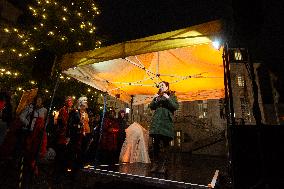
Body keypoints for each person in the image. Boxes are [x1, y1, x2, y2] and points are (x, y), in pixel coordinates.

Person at [149, 81, 179, 174]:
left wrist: (168, 98)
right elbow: (151, 107)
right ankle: (156, 164)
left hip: (166, 123)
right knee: (155, 145)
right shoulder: (157, 96)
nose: (160, 87)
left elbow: (175, 106)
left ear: (167, 87)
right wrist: (154, 99)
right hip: (157, 123)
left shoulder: (172, 95)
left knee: (166, 145)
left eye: (162, 85)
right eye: (160, 85)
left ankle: (164, 166)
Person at [67, 96, 90, 179]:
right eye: (83, 105)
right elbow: (71, 124)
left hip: (83, 135)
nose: (84, 106)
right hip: (76, 136)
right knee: (74, 152)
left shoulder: (84, 113)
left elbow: (85, 124)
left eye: (85, 105)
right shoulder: (75, 112)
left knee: (81, 152)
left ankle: (77, 169)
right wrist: (78, 125)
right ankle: (72, 171)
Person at [53, 96, 73, 182]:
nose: (71, 102)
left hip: (67, 135)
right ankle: (57, 173)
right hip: (62, 135)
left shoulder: (71, 111)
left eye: (71, 101)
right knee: (60, 154)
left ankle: (62, 171)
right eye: (69, 101)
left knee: (65, 154)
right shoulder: (63, 110)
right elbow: (61, 122)